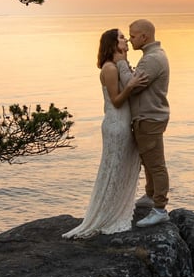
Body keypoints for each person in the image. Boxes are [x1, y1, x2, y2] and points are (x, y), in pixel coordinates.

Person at [63, 28, 148, 238]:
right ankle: (106, 215)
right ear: (112, 44)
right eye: (121, 37)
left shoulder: (119, 65)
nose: (126, 39)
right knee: (113, 170)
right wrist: (131, 86)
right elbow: (116, 101)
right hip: (116, 125)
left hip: (121, 124)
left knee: (120, 169)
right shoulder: (110, 69)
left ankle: (115, 208)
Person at [128, 18, 171, 227]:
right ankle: (150, 195)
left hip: (149, 117)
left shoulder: (151, 59)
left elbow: (133, 86)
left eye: (133, 36)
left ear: (144, 37)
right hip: (151, 116)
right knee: (148, 160)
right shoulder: (153, 55)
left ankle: (160, 208)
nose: (129, 40)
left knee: (156, 164)